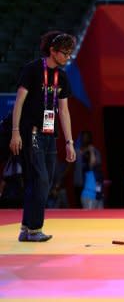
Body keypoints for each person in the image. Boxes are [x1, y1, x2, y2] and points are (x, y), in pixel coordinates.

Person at [9, 31, 76, 242]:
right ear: (52, 51)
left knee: (41, 182)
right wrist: (15, 133)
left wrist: (69, 142)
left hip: (50, 136)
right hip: (31, 133)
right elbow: (18, 102)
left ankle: (26, 227)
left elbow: (63, 111)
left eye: (69, 54)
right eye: (64, 53)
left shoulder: (62, 77)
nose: (67, 57)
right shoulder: (32, 70)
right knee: (40, 180)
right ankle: (35, 229)